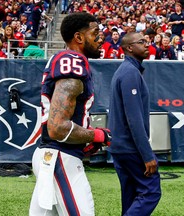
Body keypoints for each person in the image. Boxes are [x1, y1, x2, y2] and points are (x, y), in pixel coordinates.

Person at [29, 13, 111, 216]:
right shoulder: (72, 60)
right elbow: (58, 127)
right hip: (60, 156)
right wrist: (97, 135)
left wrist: (84, 137)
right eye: (95, 33)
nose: (100, 38)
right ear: (79, 37)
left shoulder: (66, 60)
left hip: (53, 154)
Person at [108, 32, 161, 216]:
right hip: (130, 148)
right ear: (129, 48)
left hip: (120, 147)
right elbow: (134, 118)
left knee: (131, 197)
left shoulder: (127, 71)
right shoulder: (130, 73)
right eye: (142, 42)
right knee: (151, 191)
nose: (147, 45)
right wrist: (147, 155)